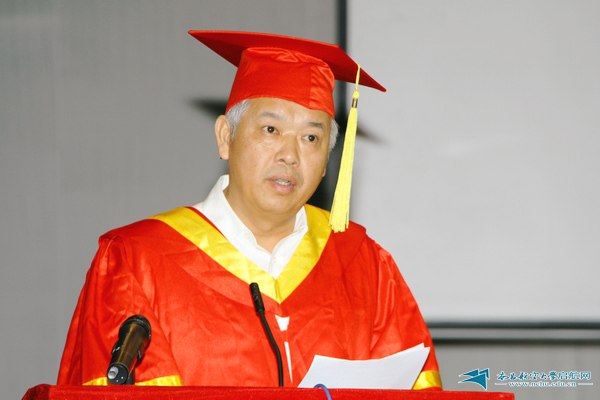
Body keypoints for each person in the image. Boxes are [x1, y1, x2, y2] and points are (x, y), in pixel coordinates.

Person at [57, 31, 442, 390]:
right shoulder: (137, 261)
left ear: (327, 161)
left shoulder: (365, 266)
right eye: (271, 130)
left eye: (311, 137)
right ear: (226, 137)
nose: (290, 155)